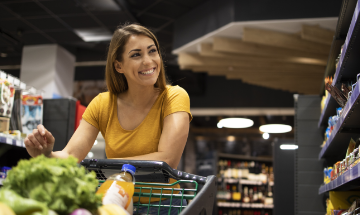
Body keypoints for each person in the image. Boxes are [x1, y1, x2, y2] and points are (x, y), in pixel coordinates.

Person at [24, 23, 192, 215]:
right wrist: (46, 154)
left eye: (152, 51)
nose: (148, 61)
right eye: (136, 54)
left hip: (164, 205)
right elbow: (70, 155)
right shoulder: (102, 104)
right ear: (118, 65)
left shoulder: (174, 97)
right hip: (116, 203)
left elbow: (167, 159)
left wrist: (103, 166)